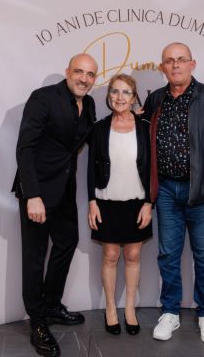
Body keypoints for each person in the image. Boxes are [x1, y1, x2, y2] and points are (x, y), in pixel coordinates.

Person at [142, 42, 204, 343]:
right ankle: (170, 311)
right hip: (166, 191)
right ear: (162, 67)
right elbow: (142, 145)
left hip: (203, 191)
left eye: (181, 59)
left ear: (192, 64)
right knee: (168, 255)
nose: (175, 65)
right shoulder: (155, 99)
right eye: (169, 60)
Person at [12, 53, 97, 357]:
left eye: (90, 74)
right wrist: (32, 195)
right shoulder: (43, 98)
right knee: (35, 256)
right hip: (38, 191)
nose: (84, 79)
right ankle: (37, 322)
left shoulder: (89, 104)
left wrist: (131, 119)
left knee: (67, 242)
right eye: (79, 72)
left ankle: (51, 305)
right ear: (68, 72)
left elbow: (90, 138)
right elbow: (25, 148)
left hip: (64, 191)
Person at [87, 74, 152, 336]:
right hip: (106, 202)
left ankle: (130, 309)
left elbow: (152, 168)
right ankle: (111, 308)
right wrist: (92, 201)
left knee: (133, 256)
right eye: (115, 91)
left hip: (137, 202)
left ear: (134, 97)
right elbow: (91, 168)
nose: (119, 97)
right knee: (110, 256)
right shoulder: (99, 128)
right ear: (108, 96)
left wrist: (149, 203)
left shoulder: (145, 127)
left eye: (126, 92)